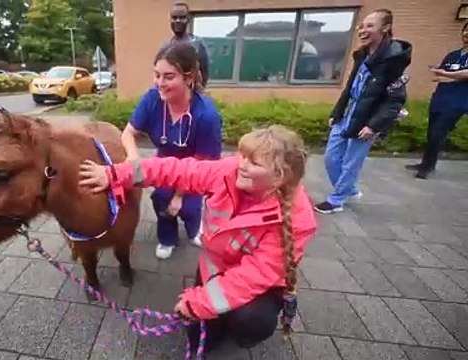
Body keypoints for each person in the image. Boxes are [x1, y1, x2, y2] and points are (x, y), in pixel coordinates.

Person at [79, 125, 317, 353]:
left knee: (251, 320)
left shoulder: (298, 218)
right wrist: (114, 174)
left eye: (253, 163)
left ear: (279, 178)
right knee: (196, 340)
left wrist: (201, 301)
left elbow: (257, 274)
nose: (241, 165)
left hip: (257, 287)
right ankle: (218, 317)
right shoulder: (229, 172)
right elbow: (174, 170)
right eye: (243, 155)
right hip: (214, 267)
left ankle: (239, 331)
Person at [120, 41, 223, 259]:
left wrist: (179, 196)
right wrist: (134, 160)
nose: (160, 83)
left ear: (189, 77)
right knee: (162, 202)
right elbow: (127, 134)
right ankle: (167, 238)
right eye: (157, 75)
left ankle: (195, 229)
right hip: (164, 167)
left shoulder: (207, 116)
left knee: (188, 207)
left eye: (169, 77)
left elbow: (203, 164)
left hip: (195, 170)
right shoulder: (152, 99)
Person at [314, 9, 412, 214]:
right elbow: (349, 87)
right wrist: (337, 112)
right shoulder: (363, 54)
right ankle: (349, 189)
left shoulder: (394, 60)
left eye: (369, 26)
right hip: (349, 113)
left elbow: (395, 100)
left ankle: (336, 200)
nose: (362, 30)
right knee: (331, 157)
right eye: (361, 26)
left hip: (368, 118)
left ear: (385, 28)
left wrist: (373, 125)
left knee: (352, 162)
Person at [405, 22, 468, 179]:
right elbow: (439, 75)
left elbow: (462, 74)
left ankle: (427, 168)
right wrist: (447, 76)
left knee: (437, 134)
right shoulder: (453, 55)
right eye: (465, 30)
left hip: (458, 102)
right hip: (440, 98)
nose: (466, 34)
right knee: (431, 133)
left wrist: (448, 75)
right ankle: (426, 163)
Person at [165, 2, 210, 88]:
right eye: (174, 18)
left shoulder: (197, 44)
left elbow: (205, 71)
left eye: (182, 17)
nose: (178, 21)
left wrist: (200, 90)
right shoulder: (166, 47)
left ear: (188, 19)